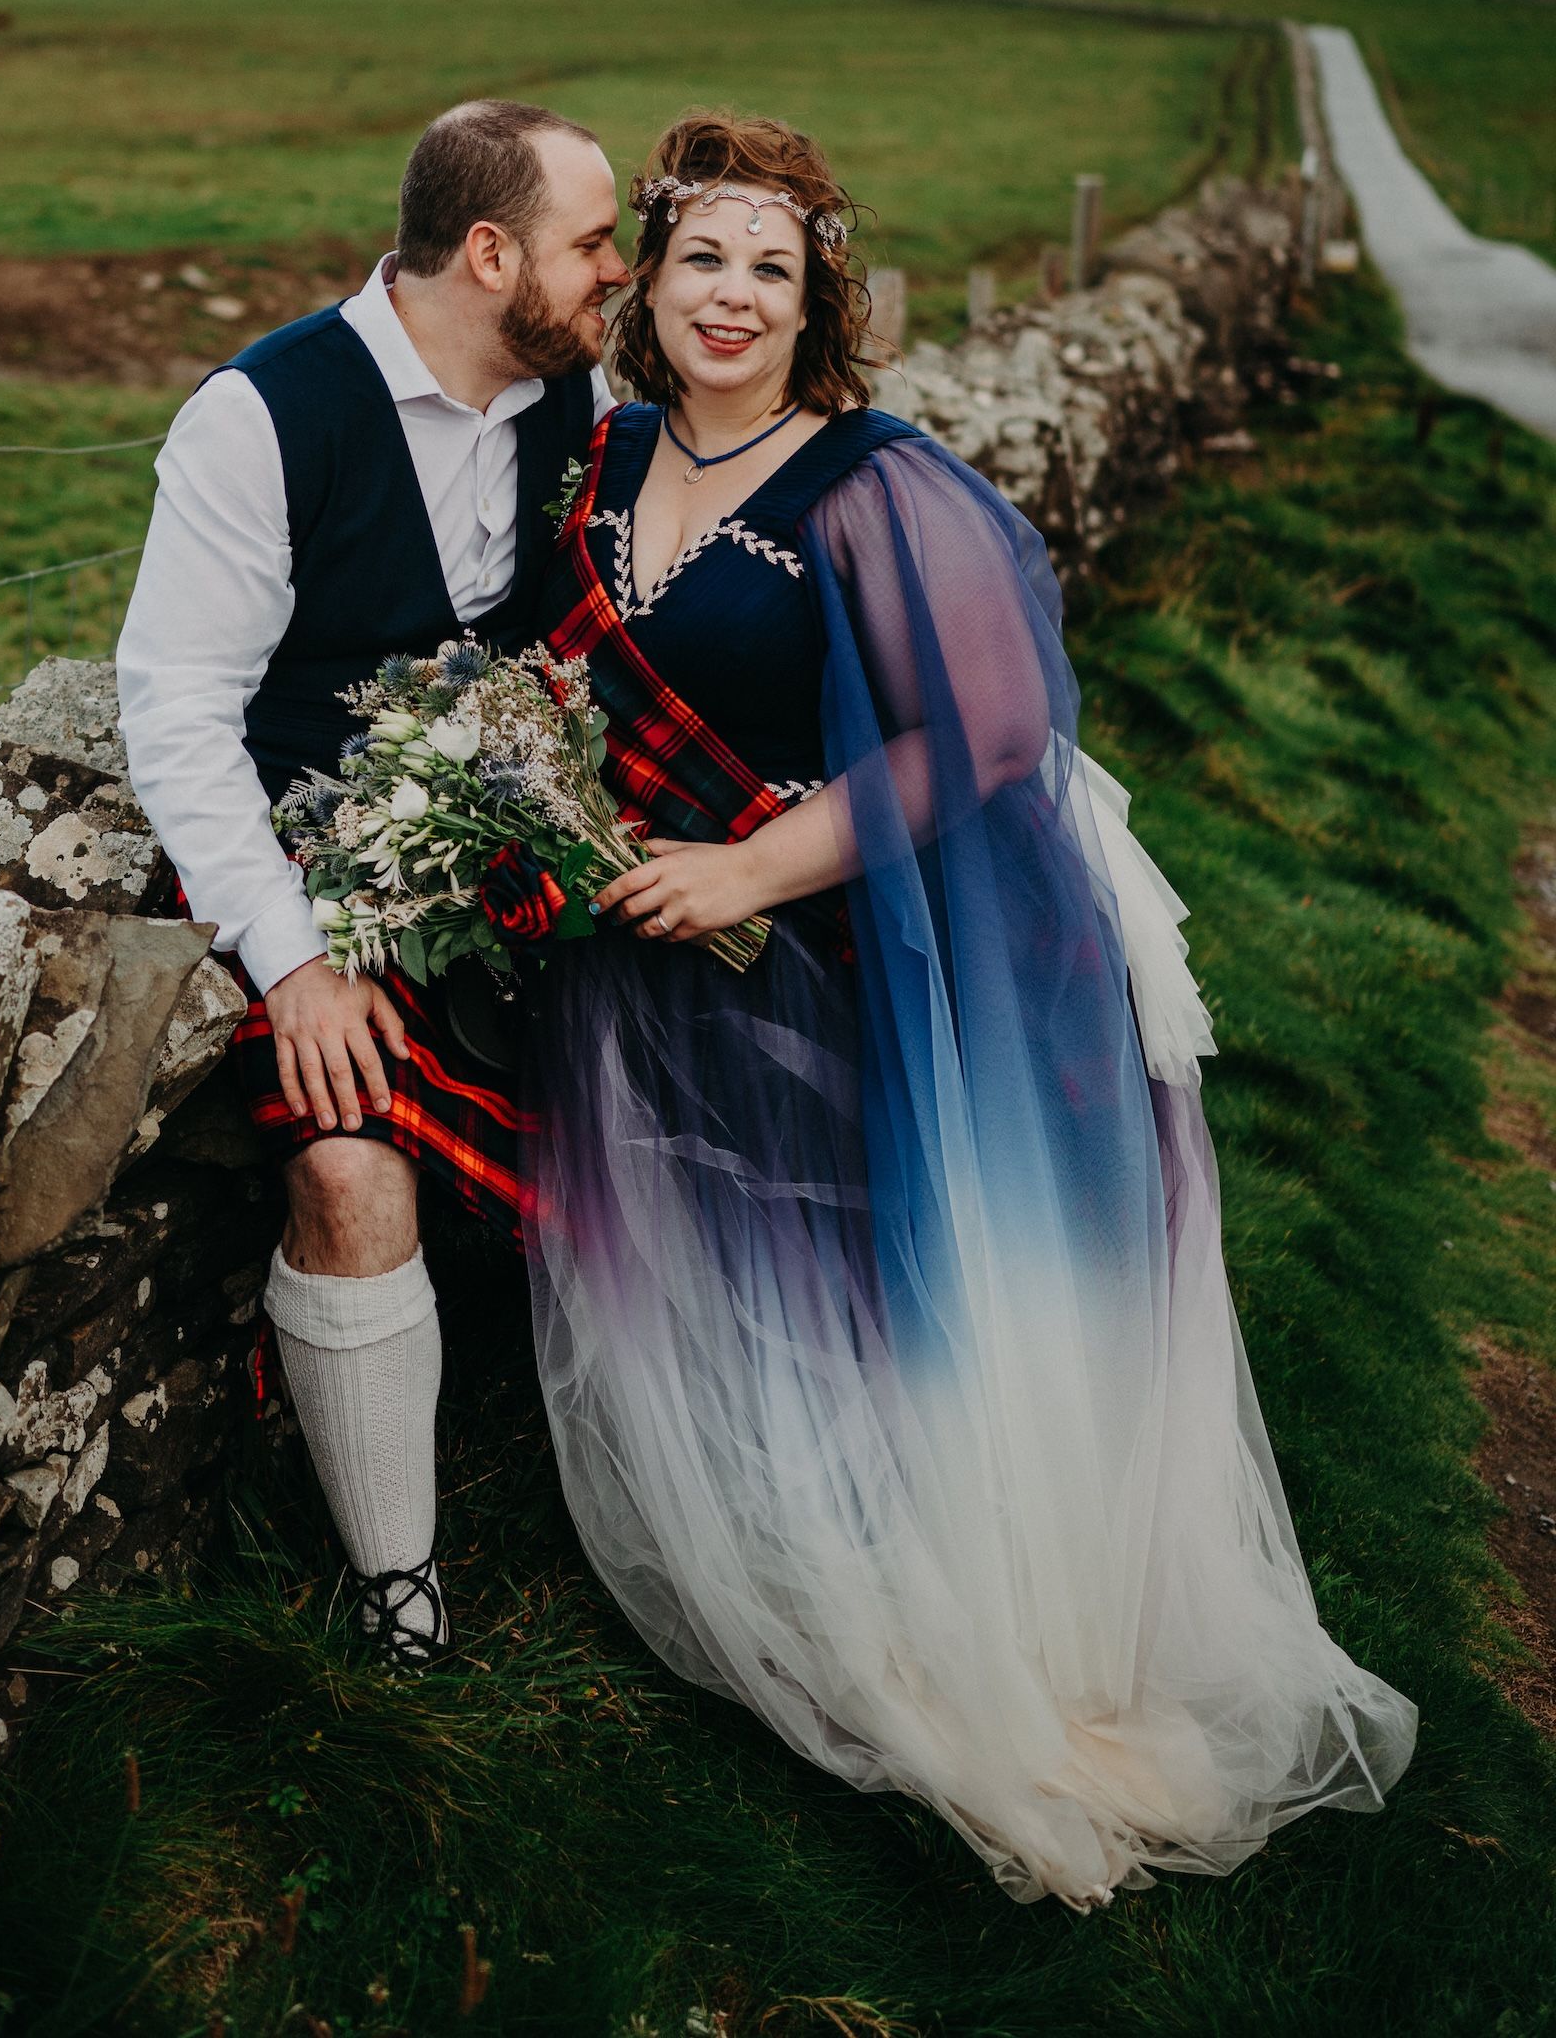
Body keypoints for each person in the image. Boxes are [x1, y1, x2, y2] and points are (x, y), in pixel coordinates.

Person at [526, 107, 1416, 1908]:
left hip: (849, 946)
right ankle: (782, 1554)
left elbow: (993, 737)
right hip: (643, 950)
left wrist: (748, 874)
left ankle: (931, 1607)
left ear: (816, 302)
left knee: (869, 1278)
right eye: (702, 255)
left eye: (772, 269)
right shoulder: (596, 457)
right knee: (729, 1273)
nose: (732, 295)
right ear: (651, 277)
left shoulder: (873, 485)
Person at [118, 99, 624, 1665]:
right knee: (346, 1167)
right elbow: (176, 712)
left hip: (504, 845)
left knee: (694, 1069)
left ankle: (698, 1476)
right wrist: (293, 958)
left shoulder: (566, 388)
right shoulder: (262, 416)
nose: (617, 273)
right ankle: (400, 1590)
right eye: (592, 244)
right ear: (491, 255)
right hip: (311, 866)